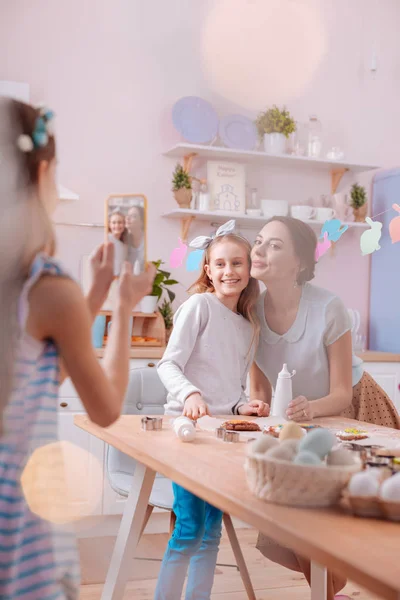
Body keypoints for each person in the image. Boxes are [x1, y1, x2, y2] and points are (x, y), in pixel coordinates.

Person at [0, 98, 156, 600]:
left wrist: (91, 295)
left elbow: (35, 375)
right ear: (43, 173)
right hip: (23, 539)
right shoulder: (44, 287)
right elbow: (107, 408)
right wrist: (124, 305)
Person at [249, 215, 400, 600]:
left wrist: (311, 410)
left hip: (355, 409)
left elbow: (340, 395)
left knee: (356, 520)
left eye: (275, 245)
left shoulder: (328, 307)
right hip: (301, 420)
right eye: (260, 240)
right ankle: (332, 595)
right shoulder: (250, 309)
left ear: (300, 263)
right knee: (296, 515)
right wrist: (259, 412)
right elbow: (259, 389)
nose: (260, 250)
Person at [154, 220, 268, 600]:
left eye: (237, 263)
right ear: (207, 270)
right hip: (188, 434)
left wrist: (243, 405)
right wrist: (189, 394)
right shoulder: (198, 306)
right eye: (220, 264)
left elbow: (229, 389)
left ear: (249, 269)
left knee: (211, 533)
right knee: (189, 529)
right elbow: (168, 364)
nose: (229, 272)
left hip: (221, 436)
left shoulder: (246, 326)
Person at [108, 209, 128, 275]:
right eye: (114, 222)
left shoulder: (125, 245)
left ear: (124, 224)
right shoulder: (107, 239)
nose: (117, 225)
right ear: (109, 224)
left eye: (120, 222)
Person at [125, 204, 145, 270]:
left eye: (133, 216)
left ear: (141, 222)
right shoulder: (124, 239)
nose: (127, 218)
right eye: (128, 215)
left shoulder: (148, 240)